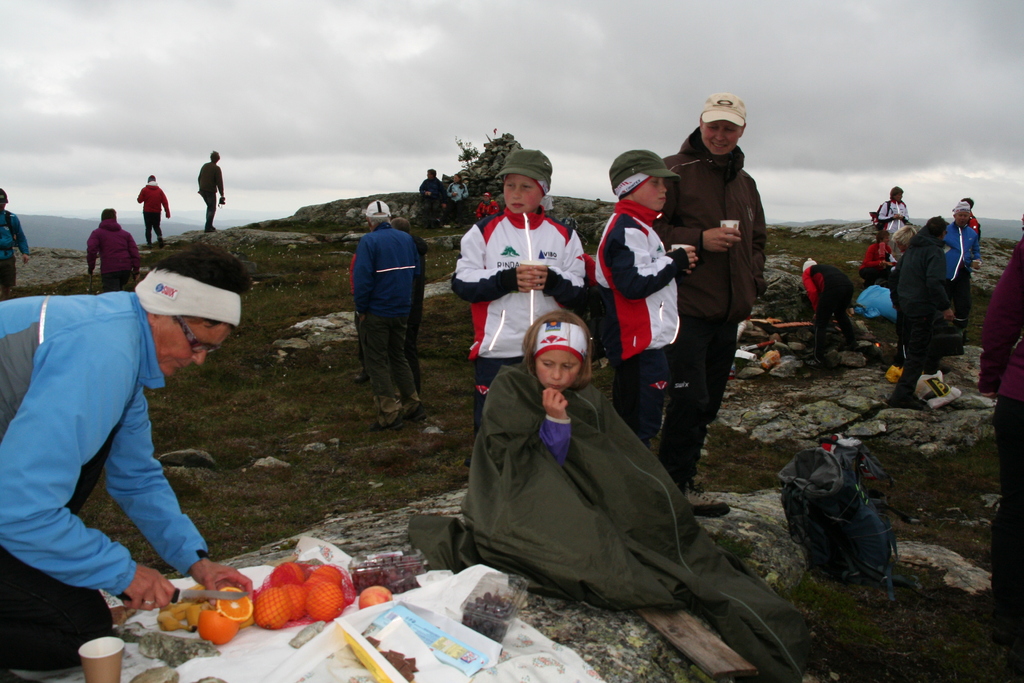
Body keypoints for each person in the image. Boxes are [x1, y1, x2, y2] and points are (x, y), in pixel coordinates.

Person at [409, 309, 810, 683]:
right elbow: (512, 459)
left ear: (582, 365)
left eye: (568, 367)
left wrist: (563, 419)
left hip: (580, 490)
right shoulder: (512, 386)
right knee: (583, 548)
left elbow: (609, 459)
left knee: (644, 523)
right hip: (525, 496)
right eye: (548, 364)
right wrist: (553, 421)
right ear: (532, 358)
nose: (556, 374)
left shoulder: (587, 399)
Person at [0, 244, 254, 671]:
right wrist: (124, 573)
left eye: (212, 349)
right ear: (161, 310)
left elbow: (136, 476)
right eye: (197, 343)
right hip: (11, 507)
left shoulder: (123, 345)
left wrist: (195, 560)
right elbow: (20, 506)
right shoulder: (102, 352)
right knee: (80, 637)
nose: (199, 360)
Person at [653, 92, 766, 517]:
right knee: (688, 399)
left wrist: (752, 282)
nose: (720, 135)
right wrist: (698, 239)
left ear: (741, 130)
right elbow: (647, 230)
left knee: (708, 403)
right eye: (713, 125)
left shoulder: (745, 183)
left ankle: (682, 480)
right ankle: (670, 488)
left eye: (729, 127)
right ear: (700, 124)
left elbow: (758, 241)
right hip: (685, 308)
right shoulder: (673, 171)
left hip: (728, 313)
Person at [451, 148, 586, 432]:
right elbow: (462, 284)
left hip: (550, 350)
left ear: (542, 191)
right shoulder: (483, 231)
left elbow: (579, 291)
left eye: (526, 187)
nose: (515, 194)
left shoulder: (564, 234)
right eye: (509, 185)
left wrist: (553, 282)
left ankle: (540, 473)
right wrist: (505, 281)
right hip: (497, 349)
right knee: (492, 424)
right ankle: (491, 472)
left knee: (543, 420)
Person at [595, 150, 695, 445]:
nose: (664, 190)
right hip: (636, 345)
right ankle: (629, 487)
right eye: (655, 183)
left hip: (645, 343)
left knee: (641, 420)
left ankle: (631, 484)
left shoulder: (640, 227)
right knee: (638, 426)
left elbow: (643, 278)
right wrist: (673, 262)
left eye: (664, 184)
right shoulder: (627, 229)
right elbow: (633, 285)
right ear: (629, 186)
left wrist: (676, 270)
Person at [979, 235, 1024, 674]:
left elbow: (1004, 315)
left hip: (1020, 398)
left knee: (1016, 509)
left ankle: (1008, 614)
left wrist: (992, 375)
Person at [352, 200, 424, 431]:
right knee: (399, 356)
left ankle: (389, 415)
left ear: (369, 220)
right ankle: (413, 405)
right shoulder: (406, 239)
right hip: (402, 309)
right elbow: (416, 272)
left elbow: (362, 279)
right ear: (390, 218)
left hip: (377, 312)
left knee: (377, 362)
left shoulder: (368, 241)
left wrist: (361, 309)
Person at [887, 217, 954, 410]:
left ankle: (907, 388)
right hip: (923, 308)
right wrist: (945, 307)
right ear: (942, 233)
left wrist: (897, 302)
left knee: (910, 346)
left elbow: (894, 276)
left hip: (907, 306)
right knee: (918, 353)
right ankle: (902, 395)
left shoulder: (913, 249)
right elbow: (934, 282)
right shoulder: (935, 251)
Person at [392, 216, 428, 393]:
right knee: (409, 349)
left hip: (405, 308)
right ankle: (413, 391)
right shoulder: (417, 247)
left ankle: (411, 392)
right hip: (415, 307)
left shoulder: (405, 249)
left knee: (404, 352)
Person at [802, 259, 856, 367]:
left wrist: (817, 311)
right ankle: (852, 343)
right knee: (840, 314)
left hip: (833, 288)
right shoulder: (826, 268)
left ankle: (818, 359)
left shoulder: (807, 273)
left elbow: (812, 292)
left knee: (820, 323)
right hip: (848, 287)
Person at [885, 225, 917, 382]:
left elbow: (895, 279)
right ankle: (901, 359)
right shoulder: (912, 255)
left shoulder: (908, 257)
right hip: (909, 300)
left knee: (905, 333)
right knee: (904, 332)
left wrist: (896, 300)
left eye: (898, 242)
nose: (897, 246)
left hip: (906, 302)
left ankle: (903, 363)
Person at [945, 201, 981, 341]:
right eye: (960, 215)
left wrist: (978, 260)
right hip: (946, 273)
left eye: (965, 215)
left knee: (964, 303)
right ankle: (940, 330)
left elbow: (976, 251)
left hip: (963, 273)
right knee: (943, 302)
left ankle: (958, 332)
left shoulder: (972, 233)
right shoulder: (946, 231)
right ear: (955, 215)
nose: (962, 218)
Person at [87, 208, 141, 293]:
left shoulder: (97, 233)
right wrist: (136, 270)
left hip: (109, 269)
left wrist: (91, 267)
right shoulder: (126, 234)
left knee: (112, 296)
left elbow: (91, 250)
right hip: (125, 269)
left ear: (102, 219)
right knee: (119, 291)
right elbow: (134, 252)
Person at [0, 188, 30, 301]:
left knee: (6, 287)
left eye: (3, 203)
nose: (2, 206)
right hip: (6, 256)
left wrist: (25, 252)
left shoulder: (11, 218)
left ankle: (3, 309)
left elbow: (20, 236)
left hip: (8, 257)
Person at [137, 175, 171, 248]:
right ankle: (159, 237)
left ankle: (149, 244)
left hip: (147, 212)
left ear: (148, 181)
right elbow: (165, 202)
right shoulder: (159, 191)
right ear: (155, 181)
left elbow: (139, 201)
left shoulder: (144, 190)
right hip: (157, 212)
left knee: (148, 228)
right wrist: (167, 212)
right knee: (156, 227)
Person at [198, 151, 225, 233]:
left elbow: (199, 178)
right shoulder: (216, 168)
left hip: (202, 190)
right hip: (210, 191)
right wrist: (222, 194)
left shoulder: (205, 166)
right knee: (212, 208)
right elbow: (219, 182)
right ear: (218, 159)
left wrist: (201, 188)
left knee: (209, 207)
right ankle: (208, 227)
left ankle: (209, 225)